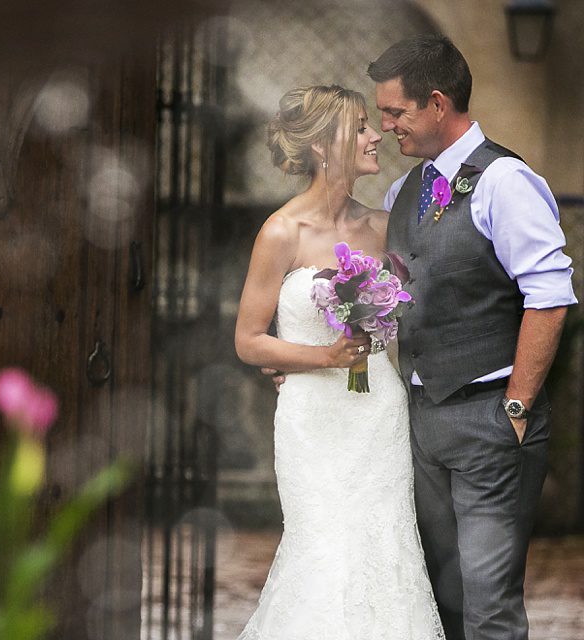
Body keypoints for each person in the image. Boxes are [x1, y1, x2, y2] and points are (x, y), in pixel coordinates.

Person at [366, 35, 577, 640]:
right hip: (422, 422)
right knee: (440, 600)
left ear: (436, 104)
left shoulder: (505, 181)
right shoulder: (402, 192)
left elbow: (550, 296)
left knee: (489, 607)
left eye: (395, 112)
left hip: (491, 420)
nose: (386, 127)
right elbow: (394, 297)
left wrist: (516, 406)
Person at [233, 84, 445, 639]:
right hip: (312, 421)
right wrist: (319, 356)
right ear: (325, 146)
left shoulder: (383, 226)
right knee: (320, 547)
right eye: (360, 127)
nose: (377, 135)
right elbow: (249, 340)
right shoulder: (281, 232)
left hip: (377, 411)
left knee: (385, 545)